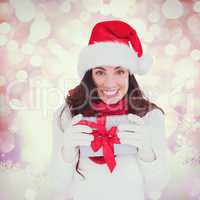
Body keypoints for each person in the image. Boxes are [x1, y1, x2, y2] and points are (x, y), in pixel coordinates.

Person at [47, 20, 170, 200]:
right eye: (100, 72)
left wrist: (147, 151)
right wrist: (67, 152)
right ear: (90, 74)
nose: (110, 83)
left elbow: (158, 186)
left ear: (129, 73)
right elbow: (57, 187)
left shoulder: (150, 116)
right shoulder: (67, 115)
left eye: (119, 71)